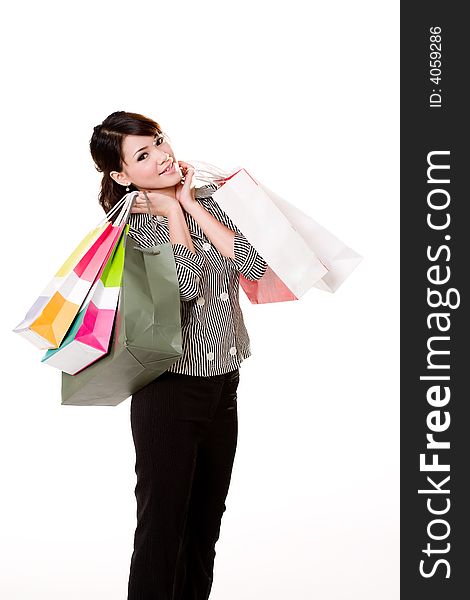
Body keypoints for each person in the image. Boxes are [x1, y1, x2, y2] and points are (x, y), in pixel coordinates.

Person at [89, 111, 268, 600]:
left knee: (203, 531)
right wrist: (171, 216)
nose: (162, 156)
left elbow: (255, 264)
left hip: (223, 386)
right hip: (169, 390)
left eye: (159, 143)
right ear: (121, 175)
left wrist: (189, 204)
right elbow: (184, 288)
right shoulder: (132, 225)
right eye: (142, 155)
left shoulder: (208, 200)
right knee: (161, 532)